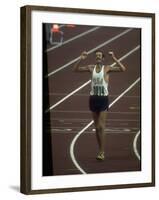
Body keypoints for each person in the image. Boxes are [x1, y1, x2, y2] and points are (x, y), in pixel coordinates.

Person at [73, 50, 126, 161]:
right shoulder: (91, 68)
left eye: (99, 56)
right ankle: (100, 150)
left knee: (101, 126)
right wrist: (80, 59)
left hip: (103, 99)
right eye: (96, 55)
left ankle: (102, 152)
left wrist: (114, 58)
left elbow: (123, 69)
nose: (97, 57)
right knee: (97, 128)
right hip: (93, 99)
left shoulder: (107, 68)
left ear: (103, 58)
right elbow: (75, 69)